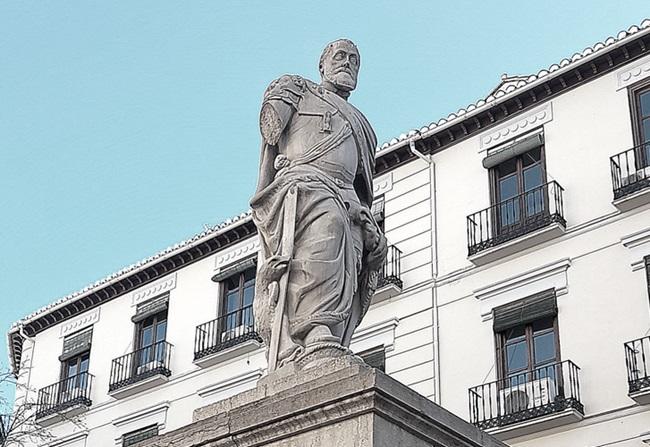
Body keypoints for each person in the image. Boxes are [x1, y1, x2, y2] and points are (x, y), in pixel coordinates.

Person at [250, 39, 387, 371]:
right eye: (339, 56)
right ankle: (314, 332)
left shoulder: (363, 126)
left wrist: (372, 232)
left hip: (349, 197)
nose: (348, 62)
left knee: (355, 251)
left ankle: (332, 337)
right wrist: (278, 97)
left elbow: (360, 182)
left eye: (355, 59)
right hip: (306, 183)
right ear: (321, 66)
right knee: (329, 223)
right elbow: (271, 129)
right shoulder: (299, 89)